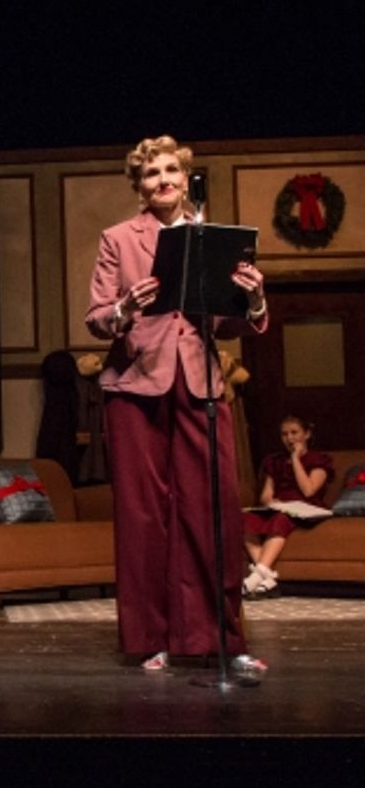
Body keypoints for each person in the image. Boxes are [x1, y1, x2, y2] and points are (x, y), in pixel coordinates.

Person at [86, 134, 269, 674]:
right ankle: (155, 638)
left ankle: (221, 640)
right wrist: (123, 307)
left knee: (212, 512)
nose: (162, 179)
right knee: (145, 518)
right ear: (138, 185)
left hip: (200, 385)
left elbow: (232, 321)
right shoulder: (119, 238)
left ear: (184, 177)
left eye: (170, 170)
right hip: (137, 386)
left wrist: (254, 297)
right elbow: (96, 318)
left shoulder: (211, 237)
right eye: (150, 173)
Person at [243, 415, 334, 599]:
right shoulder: (274, 461)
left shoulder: (319, 459)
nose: (289, 438)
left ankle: (258, 574)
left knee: (280, 519)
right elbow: (266, 494)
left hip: (307, 508)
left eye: (294, 433)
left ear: (306, 434)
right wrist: (271, 502)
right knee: (244, 519)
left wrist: (296, 459)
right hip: (281, 506)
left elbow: (309, 490)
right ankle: (267, 580)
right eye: (284, 434)